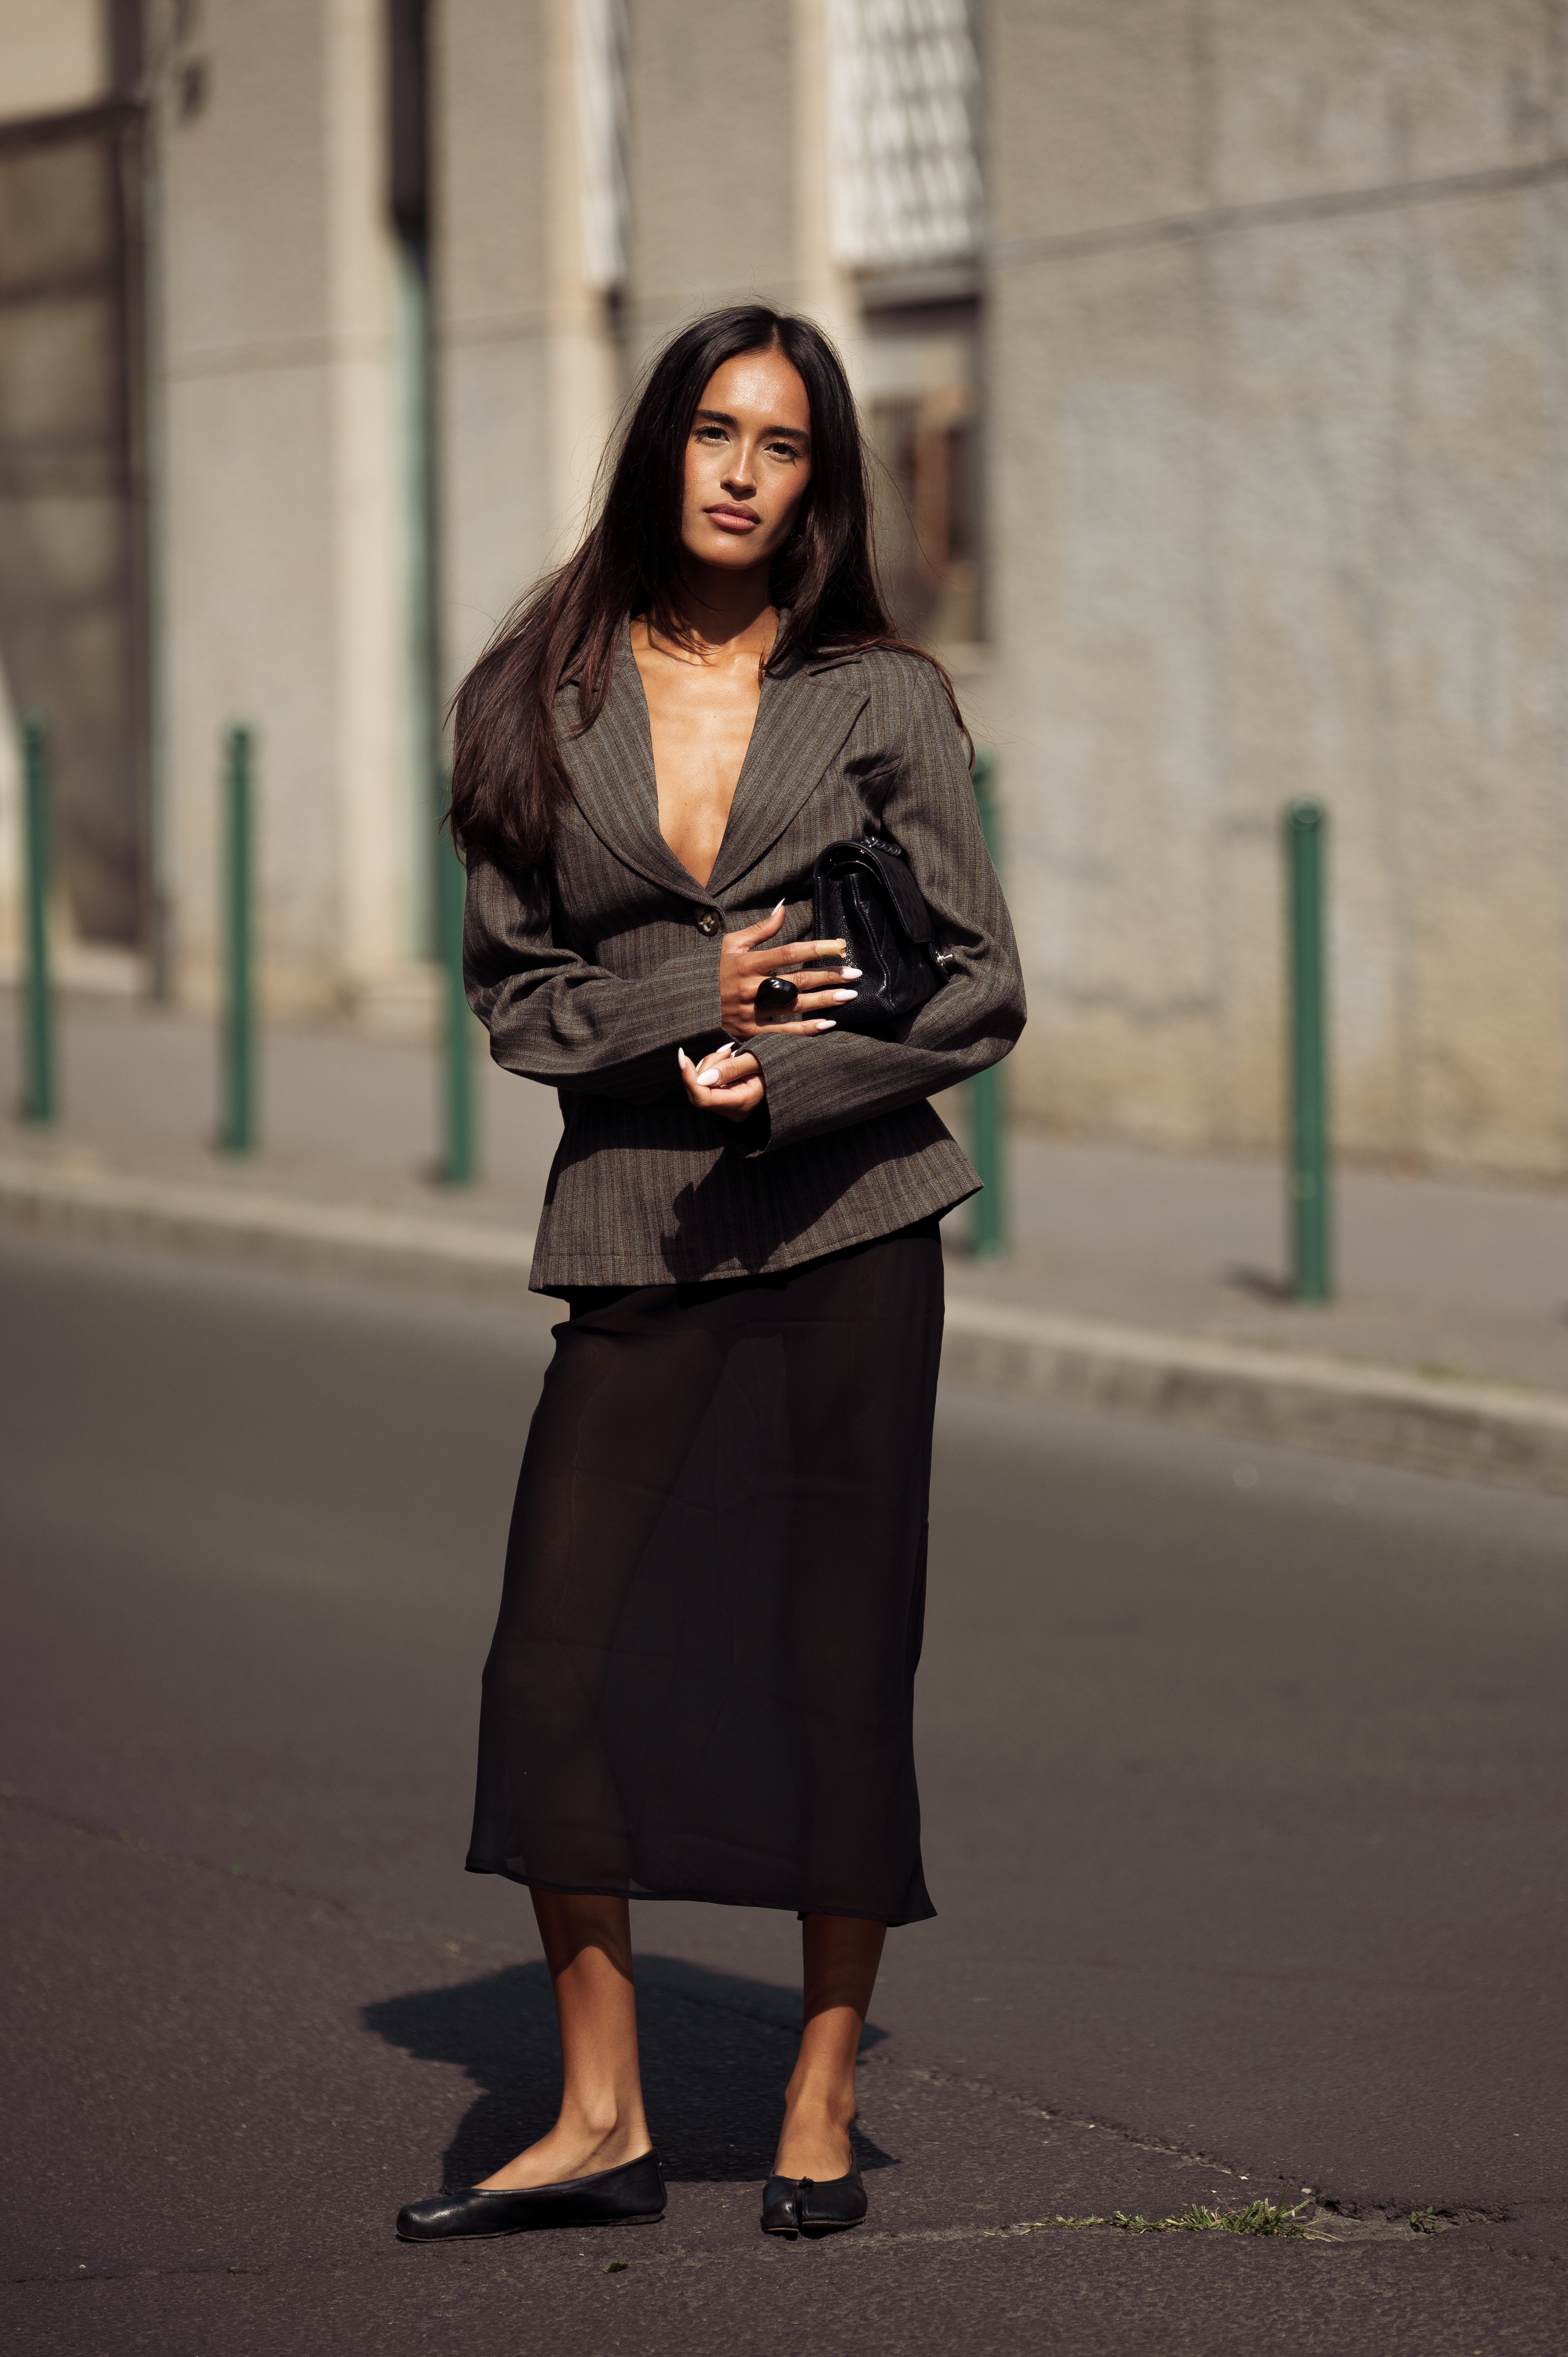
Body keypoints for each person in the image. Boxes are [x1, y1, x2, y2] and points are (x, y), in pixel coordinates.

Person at [395, 304, 1024, 2246]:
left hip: (846, 1224)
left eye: (787, 445)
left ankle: (821, 2093)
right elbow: (519, 999)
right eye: (717, 434)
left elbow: (981, 979)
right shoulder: (528, 692)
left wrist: (800, 1074)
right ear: (659, 446)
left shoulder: (879, 695)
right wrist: (700, 994)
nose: (748, 473)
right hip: (631, 1227)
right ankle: (601, 2116)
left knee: (839, 1656)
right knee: (554, 1666)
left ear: (816, 481)